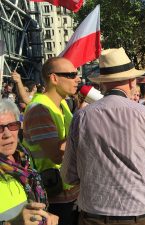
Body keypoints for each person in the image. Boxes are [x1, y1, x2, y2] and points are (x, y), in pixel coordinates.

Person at [61, 48, 145, 225]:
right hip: (139, 216)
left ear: (103, 84)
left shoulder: (81, 117)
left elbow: (68, 176)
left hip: (93, 217)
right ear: (132, 82)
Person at [22, 57, 81, 225]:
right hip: (54, 198)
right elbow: (56, 155)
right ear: (54, 78)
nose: (77, 79)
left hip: (71, 193)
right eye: (71, 75)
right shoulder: (40, 109)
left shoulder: (62, 106)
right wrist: (83, 127)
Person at [0, 99, 59, 225]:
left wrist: (46, 216)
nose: (7, 134)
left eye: (12, 126)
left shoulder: (23, 160)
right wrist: (14, 223)